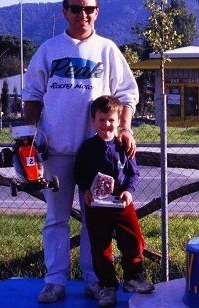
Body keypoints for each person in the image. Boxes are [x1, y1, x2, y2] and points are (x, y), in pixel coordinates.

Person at [23, 0, 139, 303]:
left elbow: (127, 94)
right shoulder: (49, 49)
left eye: (88, 9)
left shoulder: (107, 49)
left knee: (95, 222)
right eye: (76, 8)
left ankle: (95, 280)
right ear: (65, 11)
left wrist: (125, 128)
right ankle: (54, 281)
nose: (82, 14)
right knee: (56, 219)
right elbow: (32, 95)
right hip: (57, 151)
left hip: (97, 155)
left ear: (97, 12)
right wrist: (29, 138)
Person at [74, 96, 154, 306]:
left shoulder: (123, 145)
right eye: (101, 120)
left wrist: (128, 191)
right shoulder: (87, 148)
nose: (106, 124)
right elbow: (79, 173)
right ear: (93, 121)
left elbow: (133, 173)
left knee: (133, 239)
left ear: (119, 121)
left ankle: (133, 277)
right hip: (96, 204)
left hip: (121, 201)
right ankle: (107, 285)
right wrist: (87, 189)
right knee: (100, 246)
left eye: (111, 120)